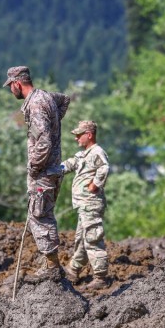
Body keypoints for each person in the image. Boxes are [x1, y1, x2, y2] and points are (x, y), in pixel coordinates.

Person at [3, 66, 70, 283]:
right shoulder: (46, 97)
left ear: (16, 83)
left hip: (43, 172)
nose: (10, 90)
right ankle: (49, 262)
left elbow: (44, 141)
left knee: (41, 217)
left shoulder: (36, 103)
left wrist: (34, 166)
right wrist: (55, 122)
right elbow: (64, 100)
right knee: (41, 214)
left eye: (10, 86)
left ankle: (52, 267)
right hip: (53, 168)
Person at [61, 121, 111, 289]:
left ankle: (100, 277)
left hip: (91, 203)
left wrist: (95, 185)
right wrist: (51, 169)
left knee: (92, 238)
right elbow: (70, 164)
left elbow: (104, 168)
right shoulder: (83, 154)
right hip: (83, 205)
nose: (76, 138)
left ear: (89, 134)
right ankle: (73, 270)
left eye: (79, 135)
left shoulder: (97, 152)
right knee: (81, 239)